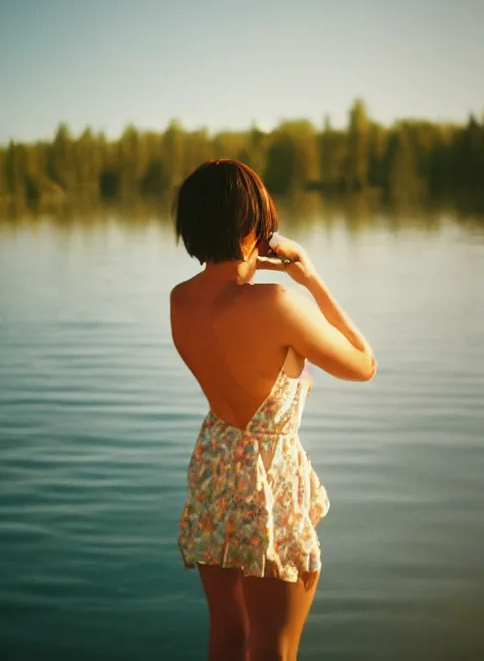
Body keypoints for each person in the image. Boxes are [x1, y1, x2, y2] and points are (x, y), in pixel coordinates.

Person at [170, 159, 376, 661]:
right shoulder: (276, 303)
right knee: (275, 646)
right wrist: (311, 277)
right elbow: (363, 363)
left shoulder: (180, 300)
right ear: (254, 228)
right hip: (270, 481)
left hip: (216, 468)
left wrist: (239, 263)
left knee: (229, 634)